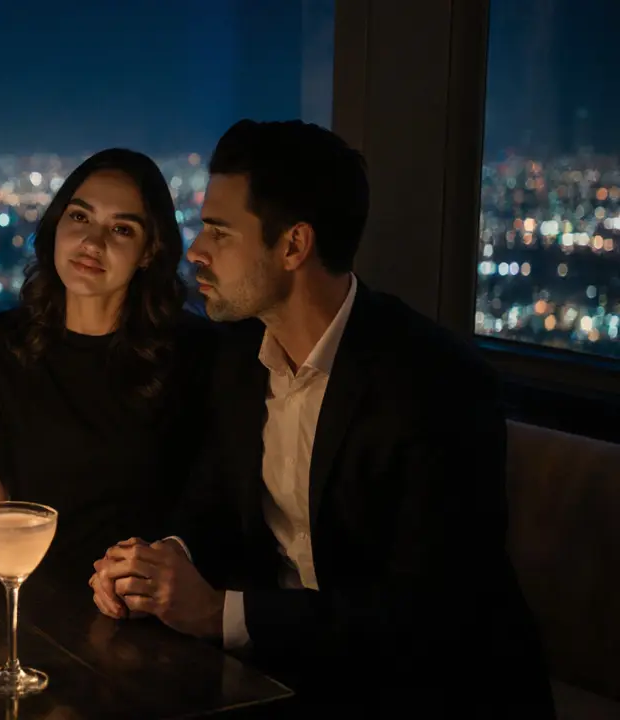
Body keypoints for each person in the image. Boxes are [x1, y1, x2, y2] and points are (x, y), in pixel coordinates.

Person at [90, 120, 553, 715]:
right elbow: (211, 502)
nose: (197, 251)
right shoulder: (238, 358)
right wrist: (159, 564)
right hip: (285, 674)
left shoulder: (435, 385)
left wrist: (218, 612)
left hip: (429, 691)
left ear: (293, 246)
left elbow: (429, 614)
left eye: (219, 232)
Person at [0, 148, 220, 577]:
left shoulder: (192, 356)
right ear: (56, 226)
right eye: (80, 218)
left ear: (148, 253)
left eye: (121, 229)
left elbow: (210, 513)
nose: (92, 243)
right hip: (23, 596)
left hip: (140, 607)